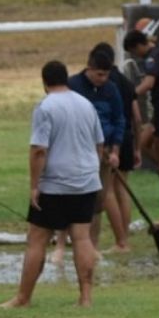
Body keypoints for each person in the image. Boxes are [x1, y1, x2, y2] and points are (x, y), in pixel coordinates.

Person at [0, 61, 104, 309]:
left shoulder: (45, 107)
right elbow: (99, 143)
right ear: (66, 79)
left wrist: (35, 185)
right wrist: (91, 170)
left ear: (44, 82)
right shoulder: (86, 104)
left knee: (37, 239)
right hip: (86, 181)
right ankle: (85, 298)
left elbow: (39, 151)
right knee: (82, 238)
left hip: (55, 183)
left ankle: (23, 298)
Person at [68, 50, 128, 253]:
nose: (103, 79)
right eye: (99, 75)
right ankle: (73, 241)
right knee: (78, 198)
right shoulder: (73, 86)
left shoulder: (110, 89)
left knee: (99, 201)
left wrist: (115, 151)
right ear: (89, 68)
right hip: (78, 152)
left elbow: (119, 119)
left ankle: (92, 246)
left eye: (106, 75)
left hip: (105, 152)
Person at [90, 43, 142, 244]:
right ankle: (124, 238)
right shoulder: (126, 81)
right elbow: (137, 117)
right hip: (127, 137)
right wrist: (137, 147)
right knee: (122, 189)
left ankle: (121, 240)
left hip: (112, 141)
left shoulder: (104, 84)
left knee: (107, 191)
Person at [124, 29, 159, 201]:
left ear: (139, 45)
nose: (136, 56)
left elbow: (148, 83)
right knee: (143, 144)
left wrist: (129, 94)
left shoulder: (151, 58)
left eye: (133, 51)